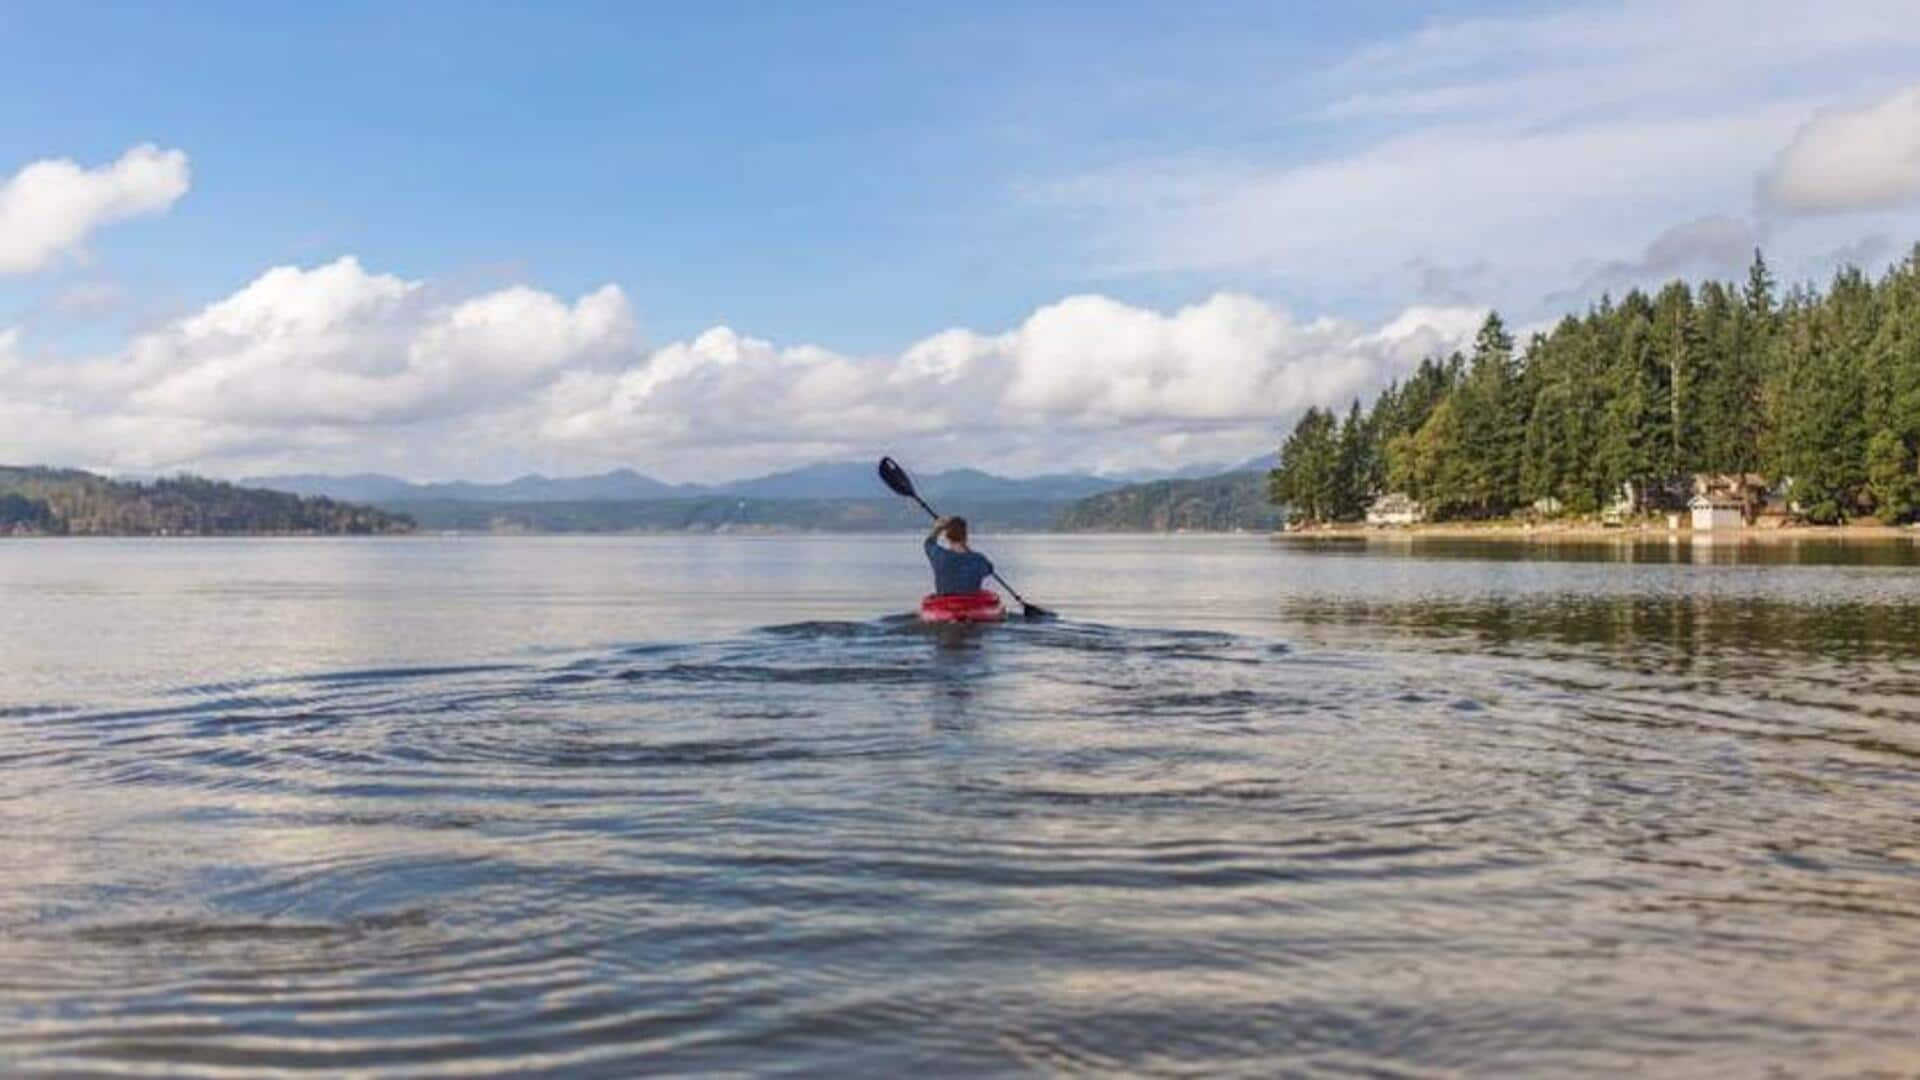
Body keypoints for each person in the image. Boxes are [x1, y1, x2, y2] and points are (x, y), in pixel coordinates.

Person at [924, 516, 994, 596]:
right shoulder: (978, 560)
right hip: (971, 603)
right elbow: (989, 569)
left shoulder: (939, 556)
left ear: (947, 536)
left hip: (944, 603)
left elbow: (928, 543)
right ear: (965, 536)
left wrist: (938, 529)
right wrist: (968, 549)